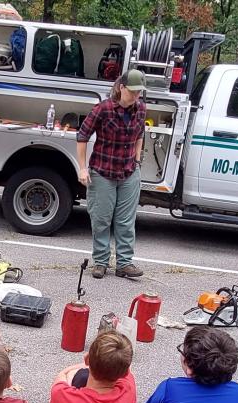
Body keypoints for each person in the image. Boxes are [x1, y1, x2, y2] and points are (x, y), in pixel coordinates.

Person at [76, 69, 147, 279]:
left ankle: (124, 263)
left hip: (128, 172)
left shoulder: (141, 109)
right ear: (121, 87)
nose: (136, 96)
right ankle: (100, 261)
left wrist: (136, 159)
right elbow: (82, 136)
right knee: (101, 219)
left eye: (139, 93)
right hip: (103, 171)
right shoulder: (103, 109)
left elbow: (140, 133)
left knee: (126, 221)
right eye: (132, 92)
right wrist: (82, 167)